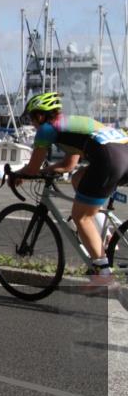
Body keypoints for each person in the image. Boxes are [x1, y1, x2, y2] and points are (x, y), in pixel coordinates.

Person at [13, 92, 128, 291]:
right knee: (78, 179)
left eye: (32, 118)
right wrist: (46, 171)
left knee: (80, 217)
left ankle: (103, 274)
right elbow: (68, 165)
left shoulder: (47, 129)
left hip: (110, 161)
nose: (32, 123)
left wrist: (16, 175)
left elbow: (31, 168)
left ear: (40, 115)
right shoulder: (70, 124)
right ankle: (105, 234)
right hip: (123, 154)